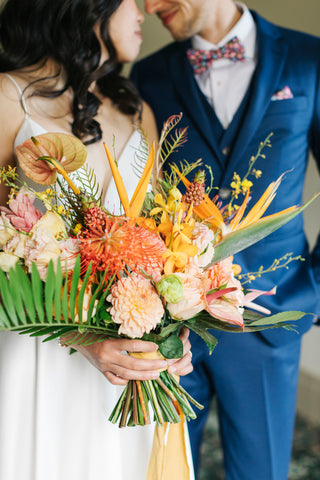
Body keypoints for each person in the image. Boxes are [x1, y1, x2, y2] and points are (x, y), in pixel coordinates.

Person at [0, 1, 194, 479]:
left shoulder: (136, 110)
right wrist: (79, 335)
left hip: (130, 369)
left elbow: (161, 241)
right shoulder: (6, 99)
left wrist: (175, 320)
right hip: (38, 354)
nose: (147, 7)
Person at [130, 1, 320, 479]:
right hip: (171, 325)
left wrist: (311, 293)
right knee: (167, 467)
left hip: (269, 317)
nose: (150, 6)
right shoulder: (147, 74)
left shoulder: (308, 58)